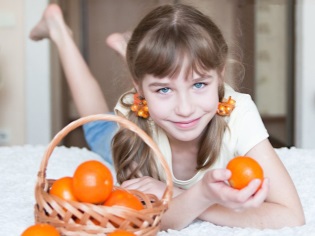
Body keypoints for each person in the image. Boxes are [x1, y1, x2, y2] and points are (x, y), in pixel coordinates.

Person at [30, 3, 305, 230]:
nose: (185, 109)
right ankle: (58, 30)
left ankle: (138, 58)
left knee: (166, 74)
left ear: (220, 76)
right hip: (145, 120)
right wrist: (202, 197)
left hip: (154, 103)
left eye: (199, 84)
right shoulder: (134, 116)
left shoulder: (239, 113)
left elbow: (291, 216)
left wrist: (195, 197)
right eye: (163, 89)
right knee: (98, 127)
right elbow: (157, 220)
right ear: (139, 91)